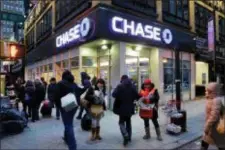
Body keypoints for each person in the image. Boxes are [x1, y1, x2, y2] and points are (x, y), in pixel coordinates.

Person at [112, 75, 139, 146]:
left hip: (121, 108)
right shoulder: (133, 86)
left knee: (121, 122)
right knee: (128, 122)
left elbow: (113, 95)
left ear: (122, 79)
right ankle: (129, 137)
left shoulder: (119, 86)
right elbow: (137, 96)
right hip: (130, 108)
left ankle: (125, 135)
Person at [55, 70, 78, 150]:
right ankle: (67, 138)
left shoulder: (60, 84)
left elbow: (56, 97)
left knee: (68, 125)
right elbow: (78, 94)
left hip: (64, 106)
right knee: (69, 123)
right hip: (73, 105)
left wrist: (59, 107)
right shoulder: (74, 84)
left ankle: (72, 146)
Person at [201, 82, 224, 150]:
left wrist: (207, 127)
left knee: (220, 144)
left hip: (215, 128)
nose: (206, 92)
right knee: (205, 141)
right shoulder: (211, 99)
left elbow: (213, 117)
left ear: (214, 92)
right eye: (206, 91)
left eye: (208, 91)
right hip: (211, 127)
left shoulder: (216, 101)